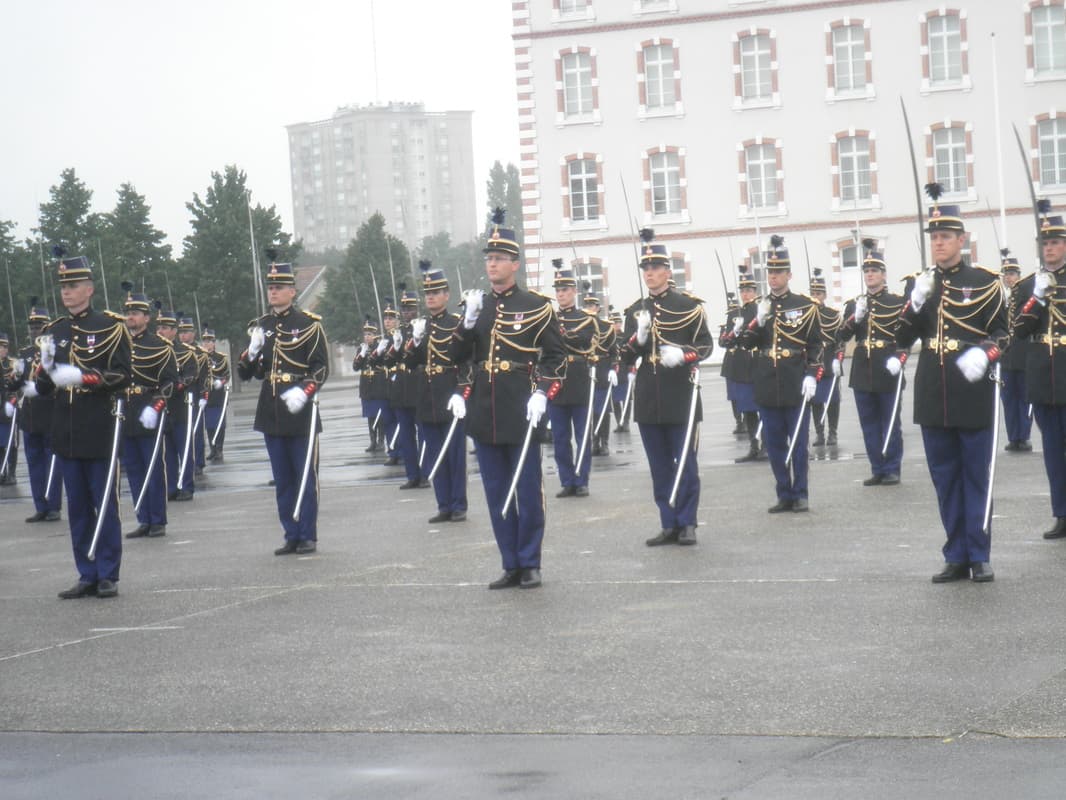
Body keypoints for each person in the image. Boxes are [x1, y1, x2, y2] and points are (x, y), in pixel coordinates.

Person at [448, 209, 565, 589]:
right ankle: (509, 562)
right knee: (497, 490)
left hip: (520, 406)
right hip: (485, 408)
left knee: (527, 489)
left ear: (515, 263)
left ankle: (530, 561)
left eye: (499, 258)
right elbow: (457, 357)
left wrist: (543, 394)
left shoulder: (535, 305)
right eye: (489, 258)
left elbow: (555, 356)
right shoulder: (476, 307)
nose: (492, 264)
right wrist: (466, 325)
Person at [896, 185, 1007, 583]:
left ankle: (979, 553)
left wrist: (987, 353)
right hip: (933, 391)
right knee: (944, 478)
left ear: (962, 239)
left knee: (976, 476)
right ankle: (955, 553)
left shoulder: (985, 282)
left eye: (946, 237)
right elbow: (900, 335)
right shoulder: (919, 284)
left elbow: (1004, 333)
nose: (939, 244)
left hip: (972, 390)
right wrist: (915, 302)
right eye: (934, 237)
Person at [34, 249, 131, 599]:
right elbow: (45, 388)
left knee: (103, 503)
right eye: (63, 286)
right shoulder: (54, 331)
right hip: (67, 428)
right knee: (76, 506)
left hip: (99, 425)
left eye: (73, 285)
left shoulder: (110, 326)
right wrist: (44, 367)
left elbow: (122, 374)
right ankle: (86, 572)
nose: (67, 292)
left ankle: (108, 572)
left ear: (89, 288)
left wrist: (84, 377)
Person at [620, 229, 713, 546]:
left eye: (655, 268)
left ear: (667, 271)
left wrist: (684, 355)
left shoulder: (689, 306)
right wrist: (639, 337)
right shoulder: (636, 310)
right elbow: (623, 354)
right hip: (648, 396)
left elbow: (705, 346)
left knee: (685, 463)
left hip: (681, 396)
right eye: (645, 269)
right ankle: (668, 521)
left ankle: (687, 522)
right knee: (659, 466)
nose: (649, 273)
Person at [238, 259, 329, 555]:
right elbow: (246, 373)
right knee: (282, 478)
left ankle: (308, 534)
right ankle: (290, 532)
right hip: (272, 409)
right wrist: (250, 354)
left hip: (300, 411)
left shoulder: (308, 325)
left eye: (279, 288)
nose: (273, 292)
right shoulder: (262, 326)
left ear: (293, 291)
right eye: (271, 287)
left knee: (304, 475)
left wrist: (305, 391)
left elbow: (320, 368)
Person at [736, 236, 822, 513]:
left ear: (789, 274)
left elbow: (816, 343)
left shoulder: (805, 305)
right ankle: (783, 492)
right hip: (766, 380)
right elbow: (747, 344)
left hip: (794, 378)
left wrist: (812, 373)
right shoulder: (759, 306)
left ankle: (801, 493)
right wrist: (757, 322)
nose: (773, 277)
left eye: (778, 273)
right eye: (770, 273)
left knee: (798, 441)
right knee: (774, 442)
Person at [1013, 204, 1066, 541]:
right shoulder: (1028, 285)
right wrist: (1037, 298)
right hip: (1043, 375)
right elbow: (1017, 328)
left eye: (1055, 242)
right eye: (1044, 244)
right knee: (1052, 448)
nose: (1048, 248)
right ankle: (1061, 512)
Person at [836, 241, 906, 486]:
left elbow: (907, 336)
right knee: (869, 423)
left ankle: (892, 467)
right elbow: (841, 336)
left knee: (890, 421)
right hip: (863, 369)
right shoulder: (855, 304)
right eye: (866, 271)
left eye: (874, 271)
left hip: (887, 366)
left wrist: (900, 359)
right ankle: (877, 467)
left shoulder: (897, 302)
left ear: (884, 274)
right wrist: (857, 317)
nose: (870, 275)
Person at [404, 260, 469, 522]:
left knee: (454, 454)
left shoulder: (457, 324)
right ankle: (443, 504)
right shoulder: (422, 326)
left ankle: (459, 504)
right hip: (427, 395)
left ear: (446, 295)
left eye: (435, 293)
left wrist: (462, 392)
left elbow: (466, 361)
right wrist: (415, 342)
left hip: (449, 393)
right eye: (427, 294)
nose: (430, 298)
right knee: (434, 454)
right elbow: (410, 363)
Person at [120, 287, 179, 539]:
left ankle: (158, 520)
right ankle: (143, 518)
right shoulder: (119, 343)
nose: (130, 317)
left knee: (153, 468)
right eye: (128, 313)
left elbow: (170, 383)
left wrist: (155, 407)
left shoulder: (160, 346)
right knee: (133, 469)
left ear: (147, 318)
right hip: (126, 411)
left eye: (135, 313)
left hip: (148, 408)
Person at [547, 260, 596, 498]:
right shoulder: (549, 319)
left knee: (582, 435)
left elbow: (585, 342)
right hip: (557, 381)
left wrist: (564, 335)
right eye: (558, 290)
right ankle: (567, 480)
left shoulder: (585, 318)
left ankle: (582, 478)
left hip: (577, 380)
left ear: (574, 292)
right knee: (560, 437)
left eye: (565, 290)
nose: (561, 294)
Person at [11, 301, 63, 521]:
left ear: (47, 326)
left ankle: (53, 506)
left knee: (51, 461)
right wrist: (15, 378)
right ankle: (40, 505)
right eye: (32, 326)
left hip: (49, 411)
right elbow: (17, 384)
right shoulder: (23, 353)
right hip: (30, 415)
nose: (34, 329)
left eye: (39, 325)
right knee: (34, 463)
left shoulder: (52, 350)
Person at [721, 264, 763, 463]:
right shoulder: (734, 314)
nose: (746, 294)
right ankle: (754, 447)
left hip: (758, 364)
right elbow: (724, 341)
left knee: (763, 408)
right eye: (743, 291)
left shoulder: (762, 309)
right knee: (748, 409)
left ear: (755, 291)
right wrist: (734, 331)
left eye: (749, 290)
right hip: (740, 367)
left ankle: (768, 445)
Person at [389, 288, 428, 489]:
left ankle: (425, 474)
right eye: (404, 308)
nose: (407, 312)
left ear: (417, 308)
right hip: (401, 387)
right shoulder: (400, 332)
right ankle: (412, 475)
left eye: (410, 308)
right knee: (406, 436)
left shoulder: (424, 328)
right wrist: (395, 347)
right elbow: (389, 361)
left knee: (423, 434)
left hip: (419, 384)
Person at [998, 250, 1032, 453]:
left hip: (1024, 355)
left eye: (1011, 274)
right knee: (1009, 399)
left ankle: (1024, 436)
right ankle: (1014, 437)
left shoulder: (1024, 296)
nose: (1008, 278)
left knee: (1024, 397)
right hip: (1007, 358)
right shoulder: (1003, 299)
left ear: (1019, 275)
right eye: (1006, 274)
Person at [808, 268, 843, 447]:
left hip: (829, 360)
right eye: (813, 293)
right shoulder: (806, 314)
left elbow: (840, 340)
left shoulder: (832, 315)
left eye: (819, 293)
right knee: (815, 401)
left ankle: (833, 433)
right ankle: (820, 433)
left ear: (825, 295)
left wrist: (839, 358)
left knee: (832, 400)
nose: (816, 296)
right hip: (814, 361)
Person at [584, 291, 617, 457]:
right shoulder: (581, 325)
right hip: (587, 371)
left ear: (597, 308)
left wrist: (613, 368)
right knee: (589, 411)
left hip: (603, 370)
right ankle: (593, 441)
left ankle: (604, 442)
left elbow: (614, 352)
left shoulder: (606, 327)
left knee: (602, 410)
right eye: (586, 305)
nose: (589, 308)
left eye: (592, 305)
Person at [177, 315, 210, 478]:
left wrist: (204, 395)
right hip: (177, 397)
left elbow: (205, 376)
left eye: (187, 331)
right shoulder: (173, 350)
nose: (183, 335)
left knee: (195, 431)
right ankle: (183, 462)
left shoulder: (201, 353)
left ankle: (197, 463)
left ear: (194, 333)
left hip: (194, 395)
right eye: (181, 332)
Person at [353, 317, 387, 453]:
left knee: (380, 415)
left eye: (370, 334)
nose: (367, 337)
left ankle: (380, 441)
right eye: (365, 334)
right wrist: (361, 354)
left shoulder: (380, 347)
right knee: (370, 415)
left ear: (375, 335)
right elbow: (355, 367)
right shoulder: (361, 349)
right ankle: (372, 440)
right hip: (366, 385)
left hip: (378, 383)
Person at [201, 328, 231, 464]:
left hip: (218, 395)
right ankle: (212, 449)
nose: (207, 344)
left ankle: (219, 449)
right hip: (206, 394)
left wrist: (221, 381)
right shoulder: (199, 357)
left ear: (214, 343)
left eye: (209, 342)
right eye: (205, 341)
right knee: (209, 424)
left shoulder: (220, 358)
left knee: (219, 423)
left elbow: (226, 375)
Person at [607, 307, 632, 433]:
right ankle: (619, 422)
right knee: (616, 400)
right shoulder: (608, 337)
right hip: (614, 371)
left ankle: (626, 422)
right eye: (613, 322)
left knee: (626, 398)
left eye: (617, 322)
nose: (616, 325)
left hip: (625, 369)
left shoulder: (626, 337)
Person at [0, 331, 18, 486]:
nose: (3, 349)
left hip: (9, 407)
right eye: (0, 346)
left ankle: (11, 473)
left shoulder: (13, 364)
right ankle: (1, 471)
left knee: (11, 442)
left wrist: (12, 402)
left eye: (5, 346)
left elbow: (18, 387)